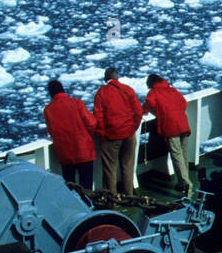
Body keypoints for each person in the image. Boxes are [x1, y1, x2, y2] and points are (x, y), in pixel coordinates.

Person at [94, 67, 143, 196]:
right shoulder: (127, 90)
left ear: (106, 79)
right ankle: (129, 195)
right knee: (128, 166)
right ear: (117, 77)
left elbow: (98, 117)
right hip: (128, 134)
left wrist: (102, 135)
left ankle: (112, 201)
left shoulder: (101, 93)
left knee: (110, 169)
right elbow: (138, 111)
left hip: (111, 136)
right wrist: (133, 128)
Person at [43, 79, 99, 189]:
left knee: (70, 186)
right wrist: (86, 136)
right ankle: (88, 205)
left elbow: (52, 131)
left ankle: (74, 205)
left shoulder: (48, 110)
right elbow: (92, 122)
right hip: (84, 151)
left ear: (51, 93)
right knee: (86, 185)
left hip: (66, 154)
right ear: (63, 90)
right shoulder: (76, 103)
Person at [144, 74, 192, 193]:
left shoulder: (154, 92)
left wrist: (142, 110)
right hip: (183, 125)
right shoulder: (173, 90)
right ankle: (183, 182)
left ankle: (186, 183)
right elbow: (184, 103)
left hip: (171, 127)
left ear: (151, 84)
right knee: (183, 154)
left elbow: (149, 103)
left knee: (176, 155)